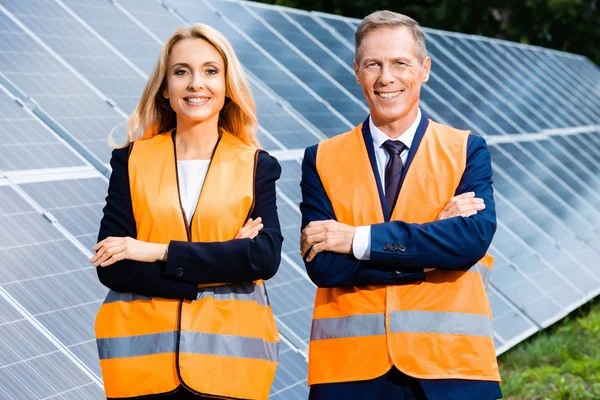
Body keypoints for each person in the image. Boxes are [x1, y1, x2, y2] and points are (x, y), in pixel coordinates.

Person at [299, 10, 502, 400]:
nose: (386, 77)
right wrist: (432, 247)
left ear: (424, 69)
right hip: (348, 374)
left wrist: (357, 239)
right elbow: (323, 264)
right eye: (373, 64)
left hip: (452, 369)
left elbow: (470, 241)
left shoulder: (466, 149)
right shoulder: (320, 158)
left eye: (400, 63)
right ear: (357, 71)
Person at [91, 24, 282, 400]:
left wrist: (156, 251)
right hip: (140, 369)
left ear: (227, 85)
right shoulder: (131, 161)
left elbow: (262, 257)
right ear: (165, 87)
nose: (197, 83)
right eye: (182, 72)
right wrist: (225, 258)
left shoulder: (256, 164)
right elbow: (113, 264)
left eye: (211, 71)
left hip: (230, 369)